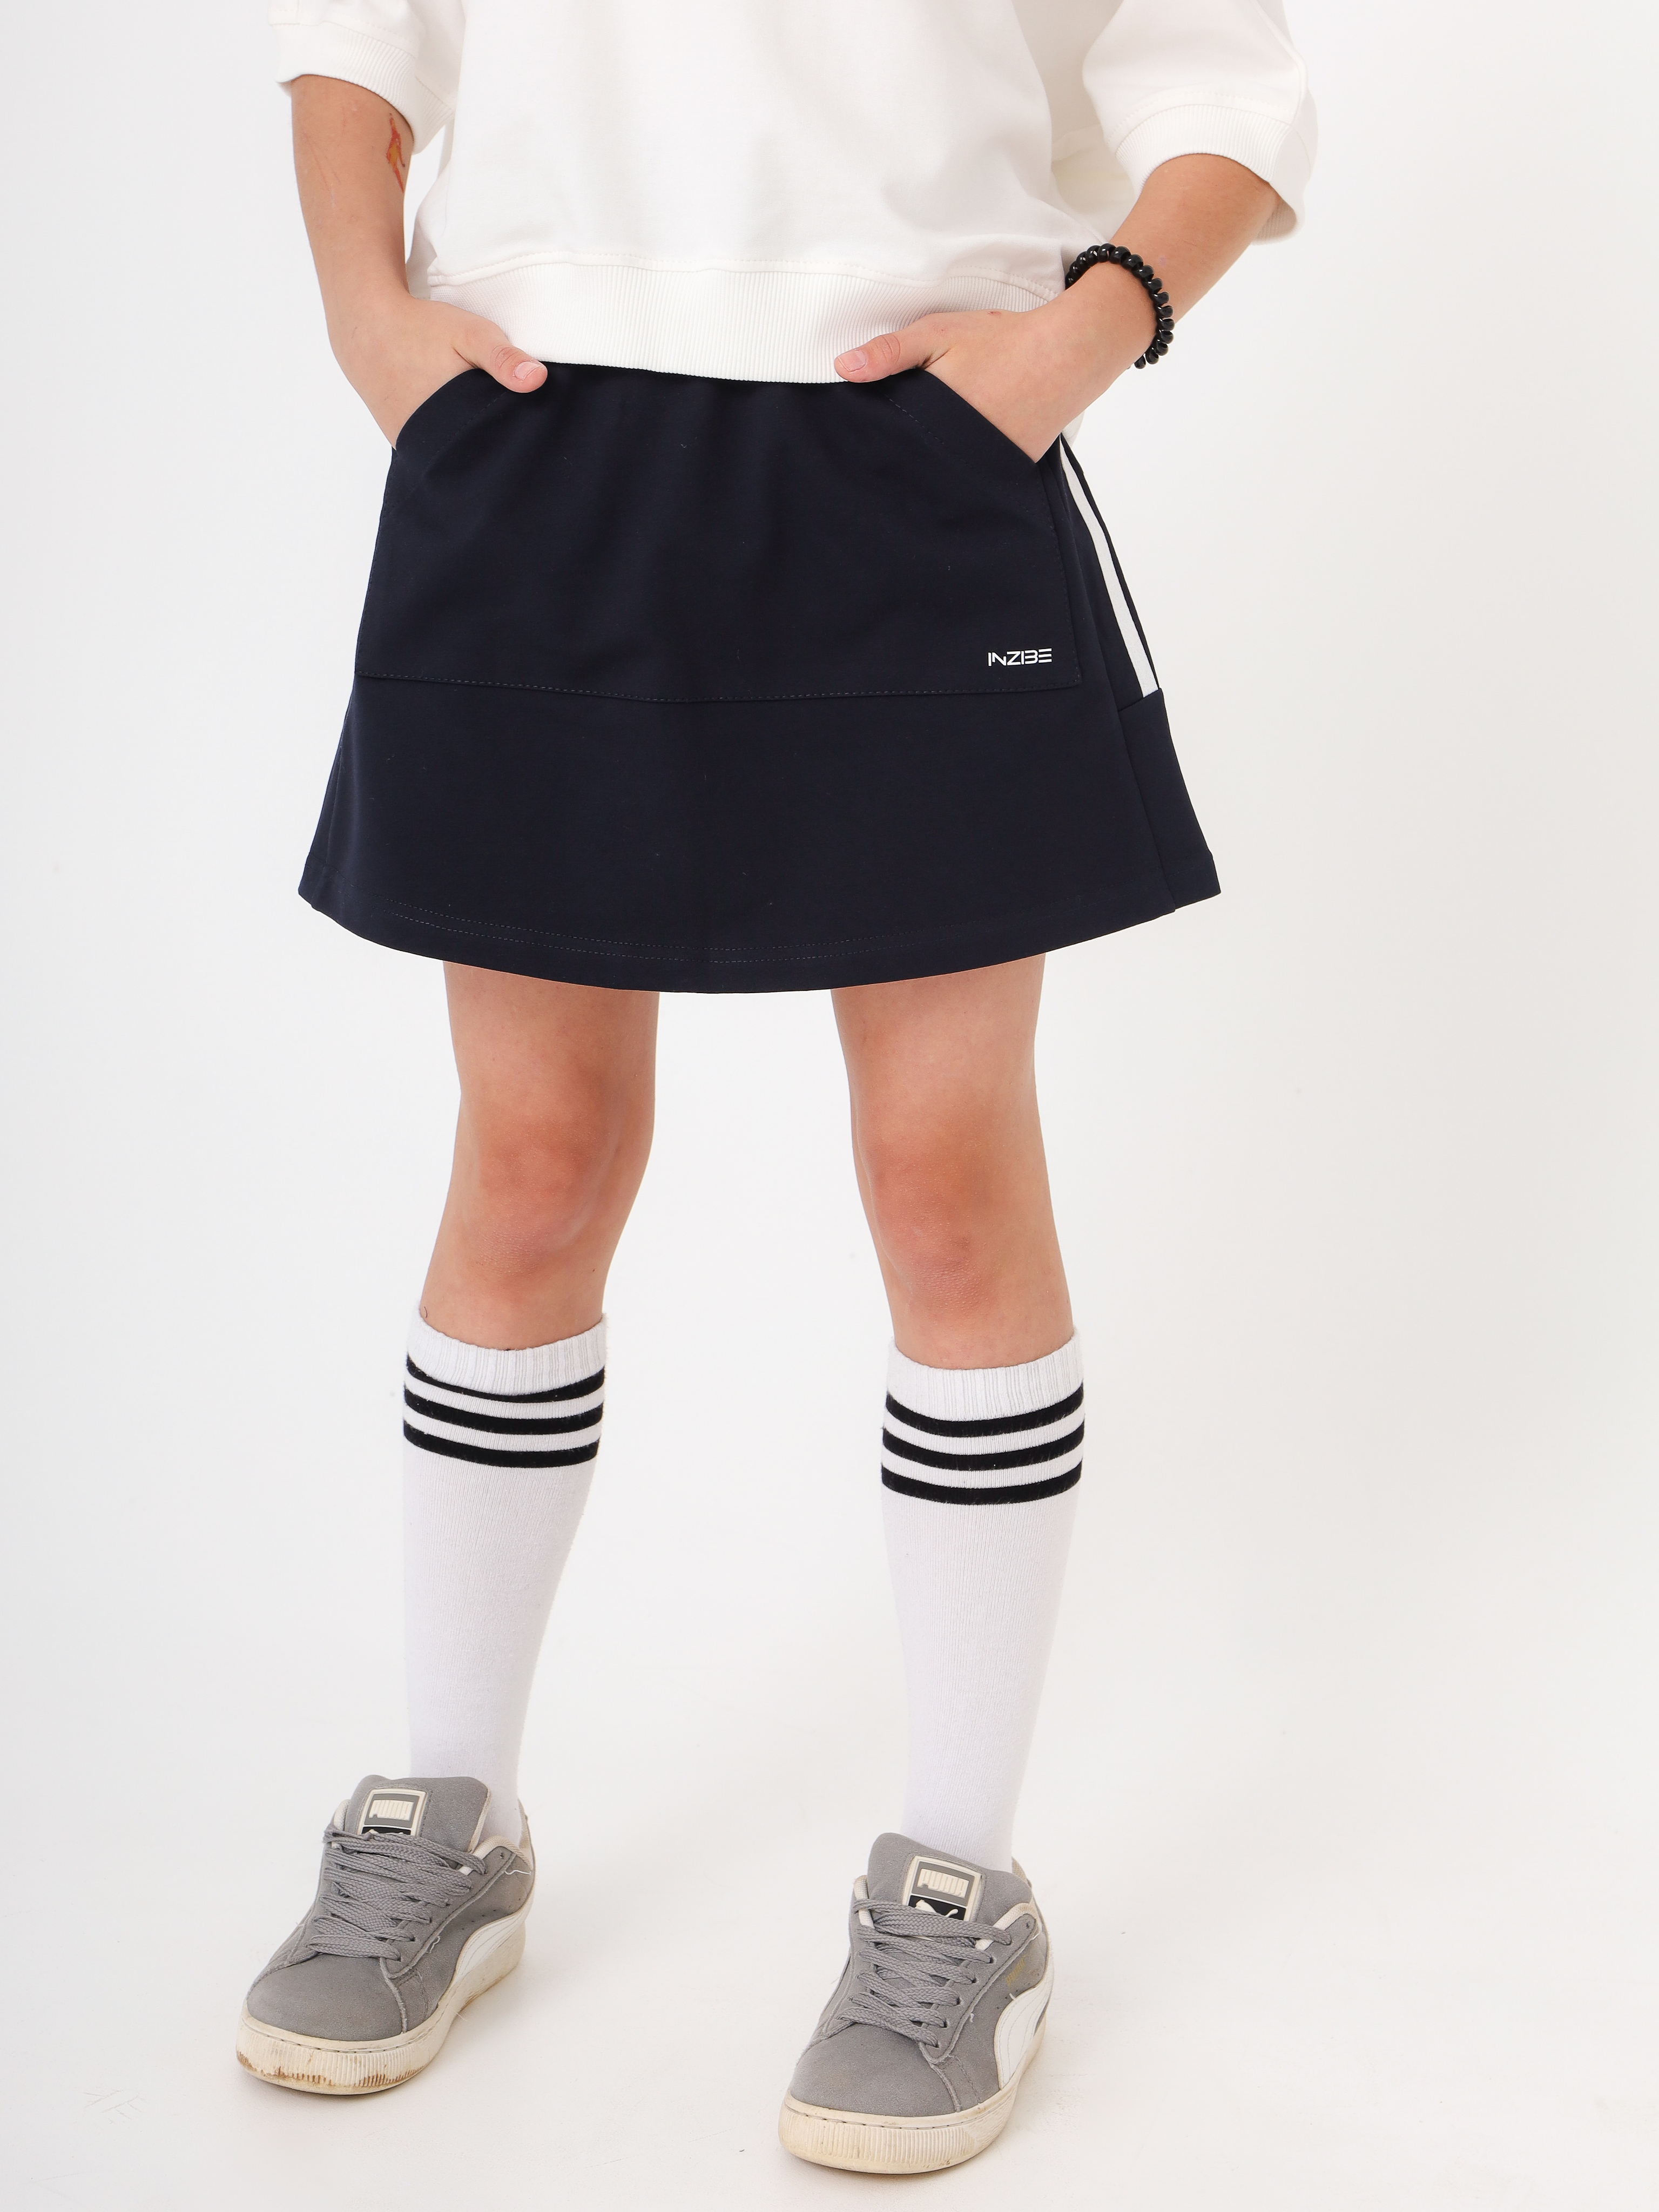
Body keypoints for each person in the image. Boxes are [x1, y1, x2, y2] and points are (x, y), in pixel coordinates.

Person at [240, 0, 1316, 2171]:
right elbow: (359, 33)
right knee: (533, 1163)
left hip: (917, 440)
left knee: (942, 1181)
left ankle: (960, 1884)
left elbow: (1227, 89)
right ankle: (452, 1812)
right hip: (534, 432)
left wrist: (1085, 330)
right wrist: (367, 311)